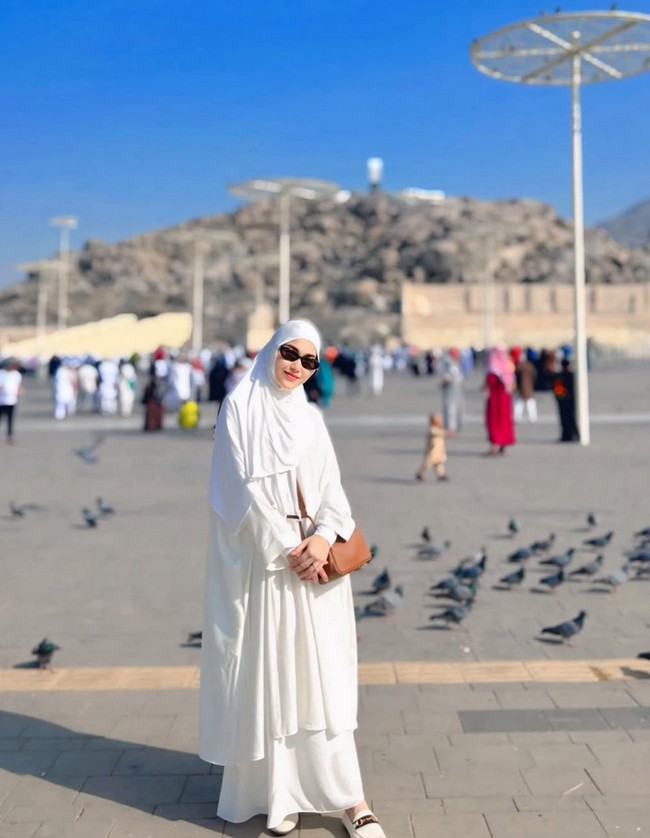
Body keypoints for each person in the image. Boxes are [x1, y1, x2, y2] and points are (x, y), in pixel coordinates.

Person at [200, 320, 387, 838]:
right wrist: (286, 552)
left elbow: (332, 492)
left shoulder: (310, 419)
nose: (297, 366)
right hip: (268, 569)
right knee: (273, 677)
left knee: (323, 680)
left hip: (315, 563)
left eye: (310, 362)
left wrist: (324, 539)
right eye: (290, 353)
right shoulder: (239, 408)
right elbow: (234, 492)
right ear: (270, 350)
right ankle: (276, 793)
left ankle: (352, 800)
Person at [484, 344, 516, 455]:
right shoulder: (507, 365)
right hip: (505, 400)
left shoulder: (494, 368)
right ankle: (502, 443)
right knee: (505, 420)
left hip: (495, 400)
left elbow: (490, 382)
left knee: (494, 421)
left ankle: (495, 444)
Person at [415, 413, 450, 482]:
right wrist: (445, 433)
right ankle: (419, 473)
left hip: (439, 451)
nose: (440, 422)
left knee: (439, 464)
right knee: (427, 464)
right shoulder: (432, 429)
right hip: (432, 451)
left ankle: (441, 475)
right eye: (438, 421)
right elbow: (436, 433)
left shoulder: (439, 429)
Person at [553, 357, 579, 442]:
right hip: (569, 400)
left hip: (564, 400)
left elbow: (557, 388)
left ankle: (568, 435)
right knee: (570, 419)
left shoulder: (561, 376)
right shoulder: (572, 376)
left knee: (566, 419)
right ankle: (572, 435)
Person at [439, 347, 464, 432]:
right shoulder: (450, 363)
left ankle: (452, 426)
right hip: (451, 389)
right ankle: (451, 427)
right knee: (451, 407)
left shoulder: (452, 363)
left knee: (452, 407)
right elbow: (449, 376)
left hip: (453, 389)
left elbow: (450, 376)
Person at [0, 358, 24, 444]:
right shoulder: (1, 373)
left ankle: (10, 435)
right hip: (1, 400)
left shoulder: (17, 375)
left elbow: (17, 386)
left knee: (10, 419)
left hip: (11, 400)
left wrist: (19, 390)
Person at [511, 347, 538, 423]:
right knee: (530, 403)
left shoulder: (519, 367)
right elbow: (534, 376)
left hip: (521, 387)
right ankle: (532, 417)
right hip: (529, 387)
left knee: (519, 403)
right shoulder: (530, 366)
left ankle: (517, 417)